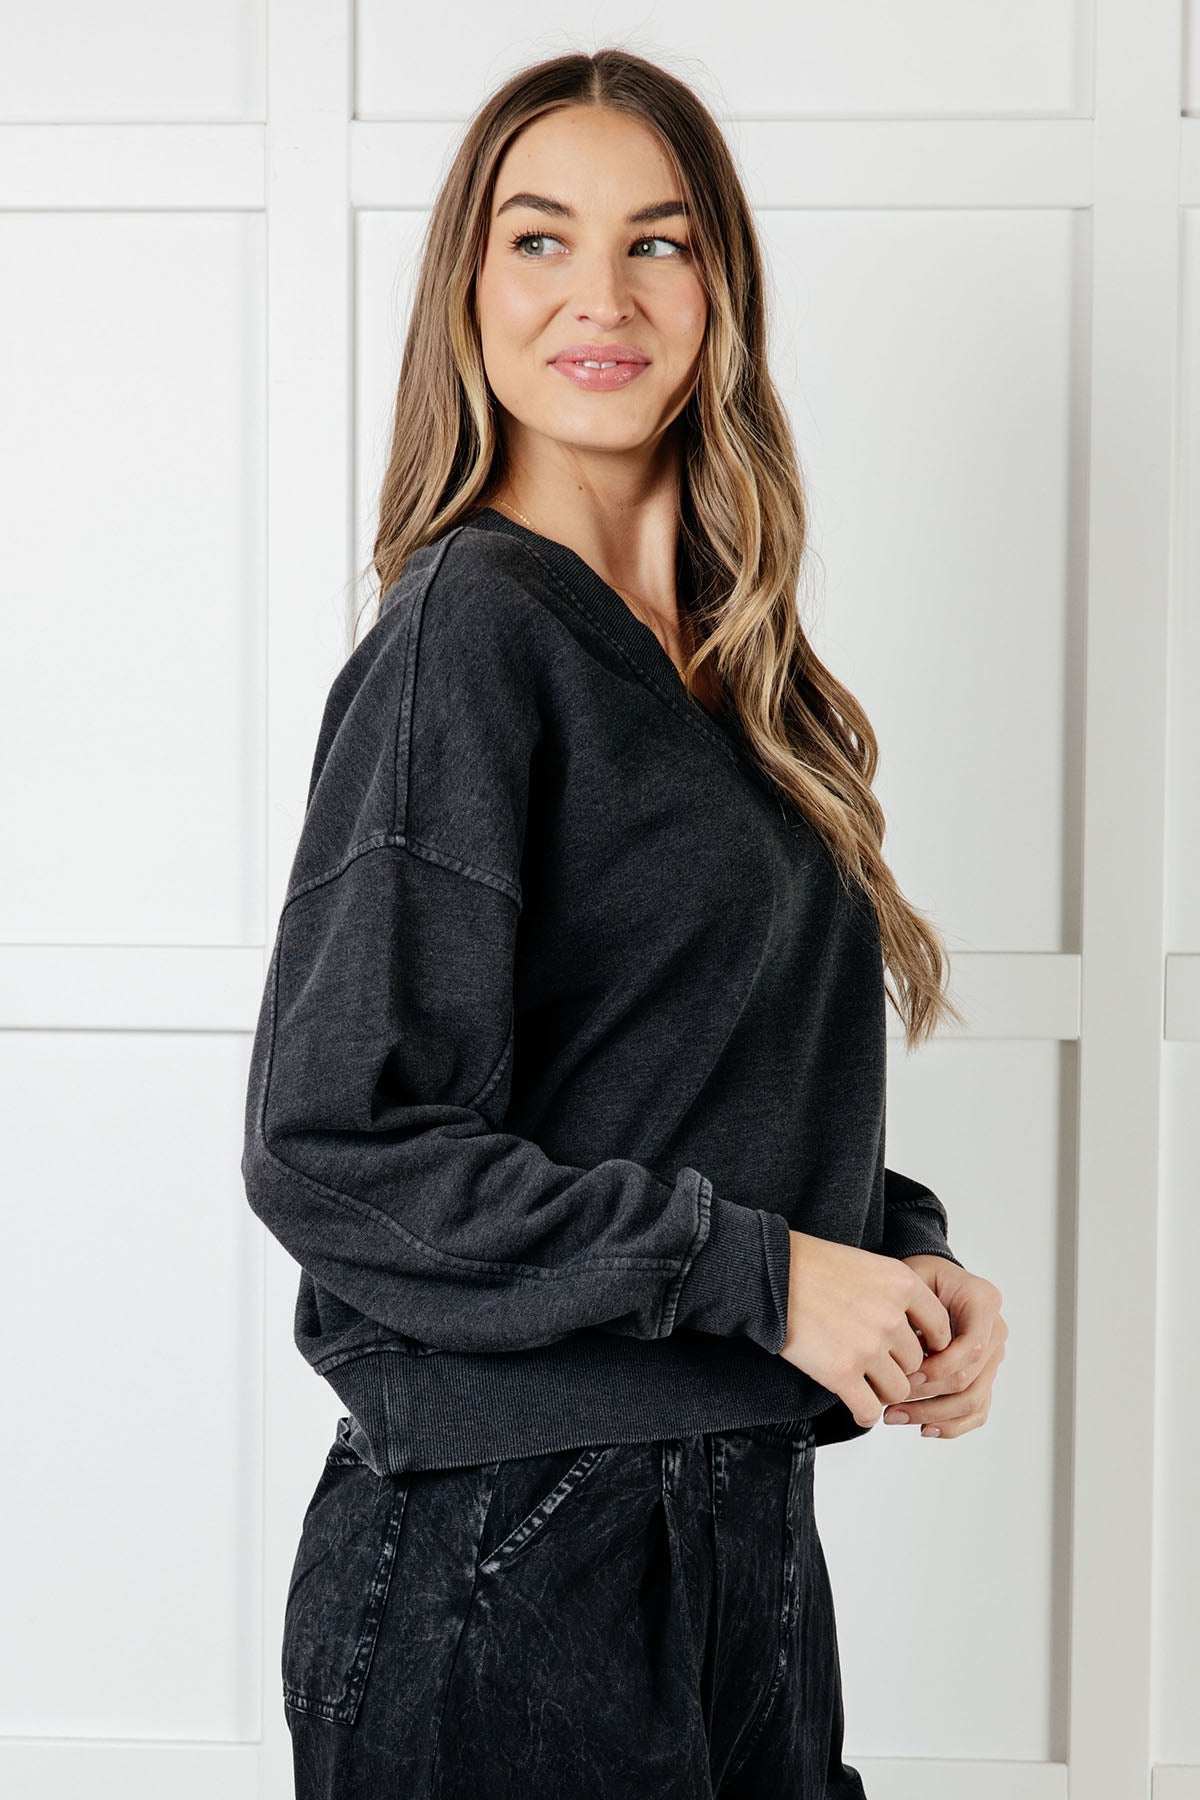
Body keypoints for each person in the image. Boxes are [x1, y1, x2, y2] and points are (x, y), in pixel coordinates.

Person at [241, 46, 1008, 1800]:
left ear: (719, 289)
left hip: (739, 1546)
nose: (601, 294)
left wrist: (894, 1263)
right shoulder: (471, 633)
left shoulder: (741, 683)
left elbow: (679, 1088)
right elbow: (336, 1145)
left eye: (657, 241)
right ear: (468, 291)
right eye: (539, 239)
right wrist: (767, 1277)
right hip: (512, 1556)